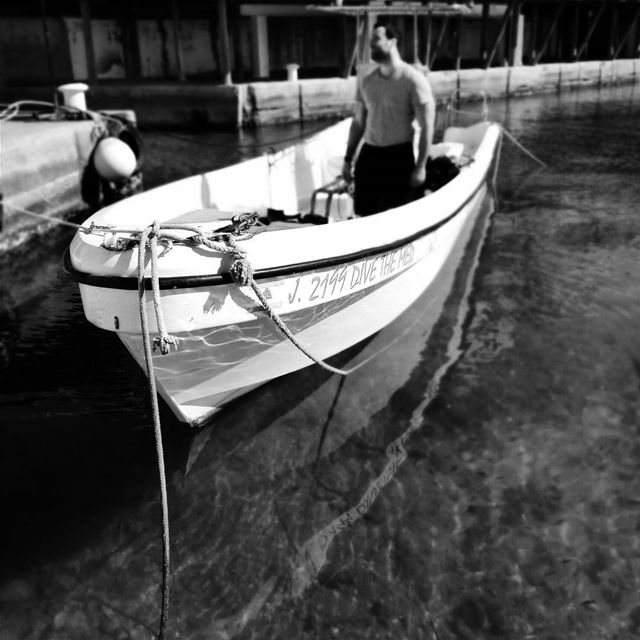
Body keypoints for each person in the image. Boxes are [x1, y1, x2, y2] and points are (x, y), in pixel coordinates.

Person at [342, 22, 436, 216]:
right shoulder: (367, 82)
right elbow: (358, 123)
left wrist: (420, 167)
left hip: (398, 158)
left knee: (397, 217)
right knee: (363, 215)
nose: (371, 46)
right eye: (370, 41)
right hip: (369, 156)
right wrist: (348, 159)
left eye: (376, 40)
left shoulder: (414, 80)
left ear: (392, 41)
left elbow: (427, 127)